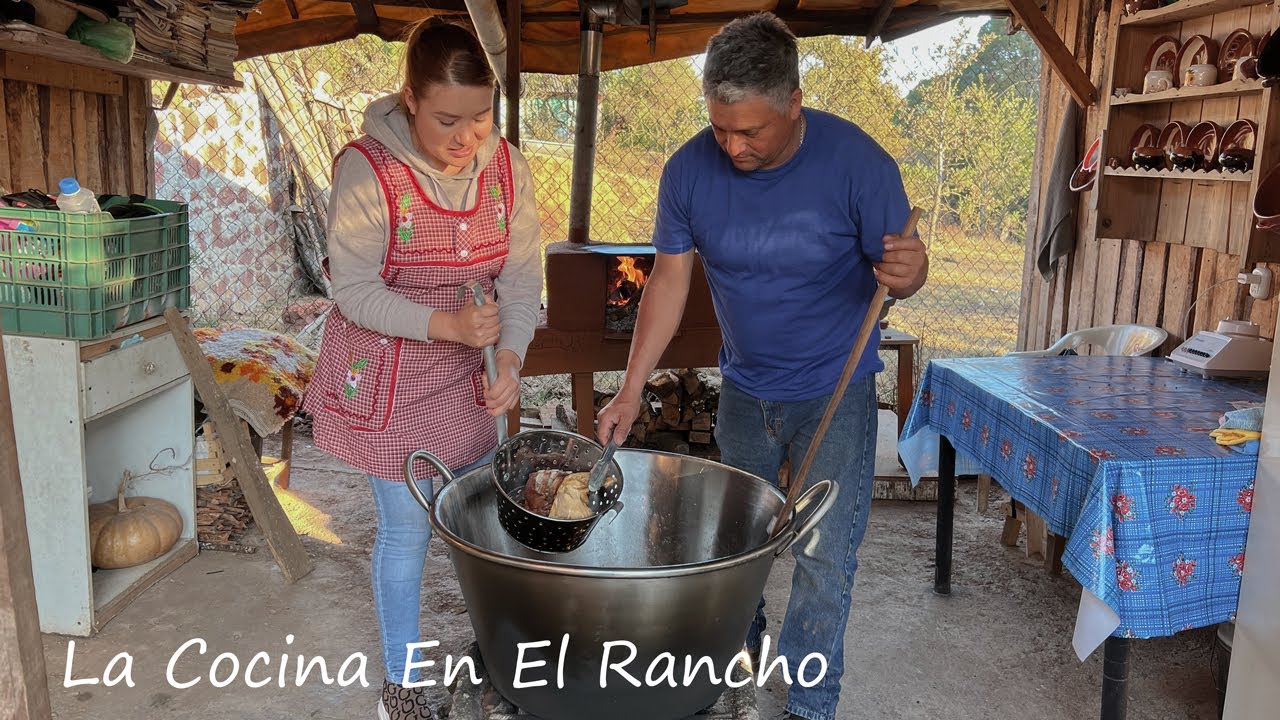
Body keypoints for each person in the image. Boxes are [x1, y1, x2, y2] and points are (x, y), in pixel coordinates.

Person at [595, 13, 928, 720]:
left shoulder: (859, 164)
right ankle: (735, 665)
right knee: (736, 551)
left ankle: (810, 702)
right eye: (721, 129)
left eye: (751, 132)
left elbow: (900, 272)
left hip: (833, 394)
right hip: (745, 388)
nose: (733, 147)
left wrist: (912, 270)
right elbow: (669, 282)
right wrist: (629, 389)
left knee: (823, 559)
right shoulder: (689, 169)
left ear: (793, 102)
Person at [301, 18, 541, 720]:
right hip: (389, 375)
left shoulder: (508, 169)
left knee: (481, 523)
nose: (468, 138)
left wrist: (511, 360)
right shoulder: (367, 169)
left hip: (472, 376)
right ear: (409, 99)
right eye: (447, 119)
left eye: (481, 117)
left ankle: (496, 664)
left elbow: (521, 284)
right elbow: (353, 289)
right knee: (407, 529)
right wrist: (448, 326)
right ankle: (401, 688)